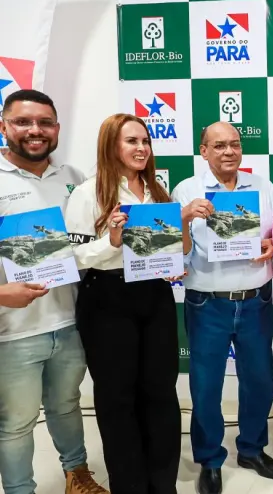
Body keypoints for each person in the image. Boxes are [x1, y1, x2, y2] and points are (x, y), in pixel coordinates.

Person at [64, 113, 180, 494]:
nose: (142, 148)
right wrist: (111, 241)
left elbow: (164, 246)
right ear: (111, 145)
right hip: (107, 299)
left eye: (145, 141)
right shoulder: (88, 192)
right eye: (131, 141)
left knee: (161, 393)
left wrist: (173, 263)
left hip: (155, 296)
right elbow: (73, 256)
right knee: (117, 399)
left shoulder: (155, 190)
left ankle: (163, 484)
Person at [0, 89, 108, 494]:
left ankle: (76, 476)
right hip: (14, 331)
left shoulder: (74, 179)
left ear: (57, 129)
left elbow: (94, 245)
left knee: (66, 407)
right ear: (4, 126)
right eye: (24, 122)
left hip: (69, 321)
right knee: (16, 423)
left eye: (45, 122)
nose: (35, 130)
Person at [171, 121, 273, 494]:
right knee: (206, 387)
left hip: (256, 299)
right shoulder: (186, 191)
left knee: (260, 382)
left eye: (234, 144)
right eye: (218, 145)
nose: (228, 152)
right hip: (208, 302)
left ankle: (252, 449)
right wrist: (185, 218)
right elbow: (177, 253)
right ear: (203, 151)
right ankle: (210, 460)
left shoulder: (263, 187)